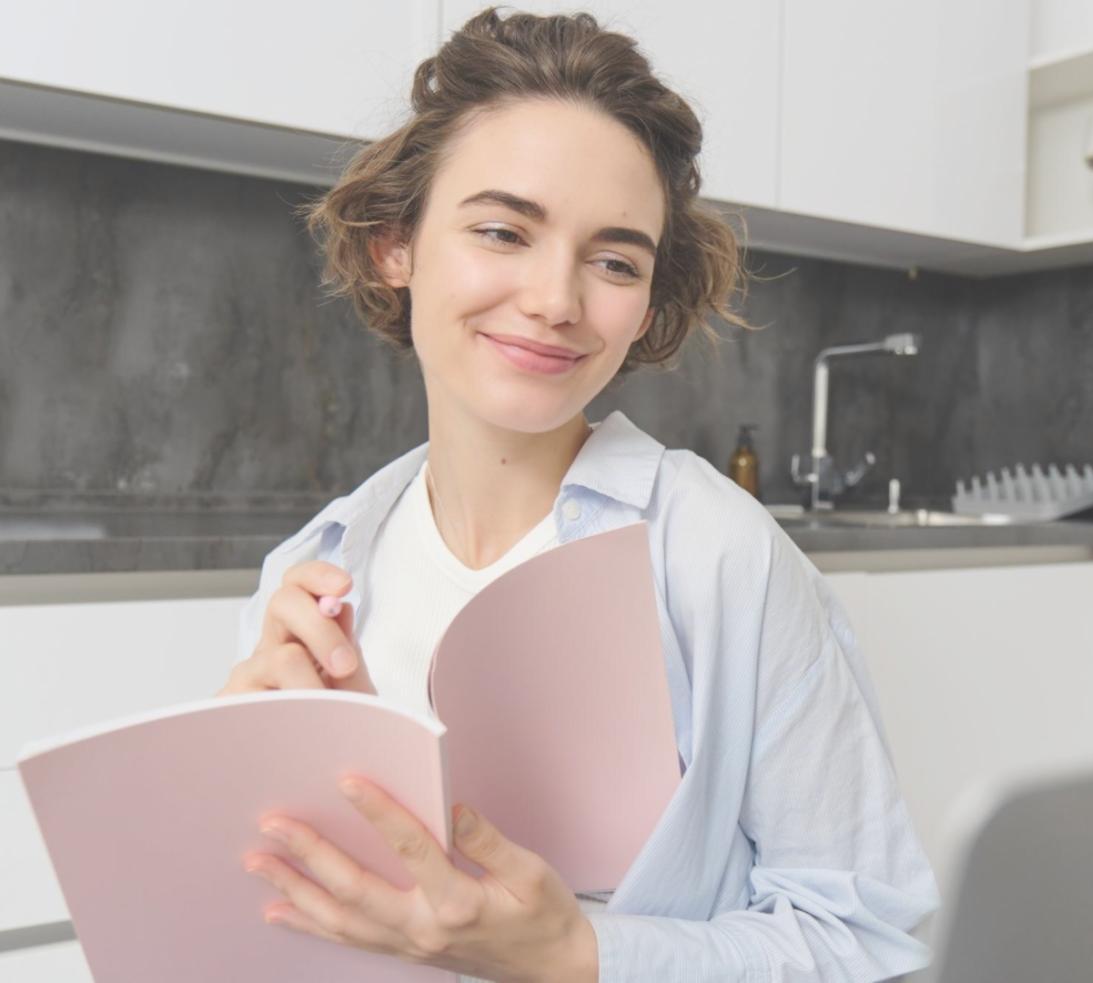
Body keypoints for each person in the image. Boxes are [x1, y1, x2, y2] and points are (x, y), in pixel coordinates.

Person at [219, 7, 939, 981]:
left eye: (613, 260)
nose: (557, 299)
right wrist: (230, 777)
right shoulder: (315, 570)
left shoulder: (715, 553)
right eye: (502, 229)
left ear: (645, 303)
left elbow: (866, 938)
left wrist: (578, 951)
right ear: (398, 244)